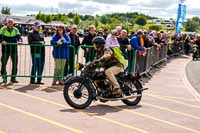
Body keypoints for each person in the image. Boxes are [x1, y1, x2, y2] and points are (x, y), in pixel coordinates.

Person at [0, 19, 22, 83]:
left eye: (11, 22)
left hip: (14, 50)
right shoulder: (3, 29)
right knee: (3, 64)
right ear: (7, 23)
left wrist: (20, 41)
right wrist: (2, 41)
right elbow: (0, 37)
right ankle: (4, 78)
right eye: (9, 22)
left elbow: (19, 37)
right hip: (5, 50)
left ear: (13, 23)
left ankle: (13, 78)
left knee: (15, 64)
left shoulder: (16, 29)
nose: (10, 24)